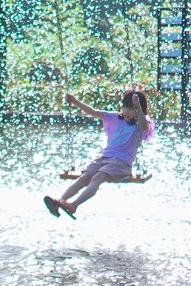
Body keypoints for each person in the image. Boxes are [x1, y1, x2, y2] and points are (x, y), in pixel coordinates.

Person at [44, 89, 154, 219]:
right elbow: (93, 112)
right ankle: (60, 201)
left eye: (131, 109)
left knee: (98, 177)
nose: (126, 111)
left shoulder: (141, 122)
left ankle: (74, 205)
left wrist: (138, 107)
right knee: (85, 177)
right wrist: (75, 101)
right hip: (104, 157)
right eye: (124, 107)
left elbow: (144, 127)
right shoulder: (115, 118)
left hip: (122, 162)